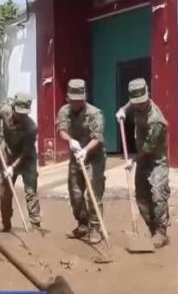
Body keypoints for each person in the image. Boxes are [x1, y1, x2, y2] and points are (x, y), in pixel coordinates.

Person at [115, 78, 170, 248]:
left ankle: (161, 232)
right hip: (143, 159)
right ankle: (152, 229)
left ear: (148, 96)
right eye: (136, 103)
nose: (138, 106)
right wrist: (123, 110)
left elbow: (148, 148)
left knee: (158, 195)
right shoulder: (136, 102)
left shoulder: (156, 121)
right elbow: (131, 103)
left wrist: (132, 160)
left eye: (141, 103)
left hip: (156, 161)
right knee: (141, 198)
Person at [57, 79, 107, 245]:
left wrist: (86, 150)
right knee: (75, 194)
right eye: (74, 100)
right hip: (76, 155)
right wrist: (70, 141)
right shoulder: (64, 111)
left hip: (94, 156)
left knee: (93, 193)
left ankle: (95, 227)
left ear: (85, 98)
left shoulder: (95, 113)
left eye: (80, 100)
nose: (77, 103)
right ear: (67, 98)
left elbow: (97, 138)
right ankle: (83, 224)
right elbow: (62, 130)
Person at [0, 92, 41, 232]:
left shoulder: (31, 127)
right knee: (5, 192)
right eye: (19, 113)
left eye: (24, 114)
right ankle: (6, 224)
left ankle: (35, 226)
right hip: (9, 155)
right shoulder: (5, 110)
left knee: (31, 192)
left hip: (27, 158)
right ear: (13, 108)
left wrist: (13, 167)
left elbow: (26, 151)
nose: (21, 117)